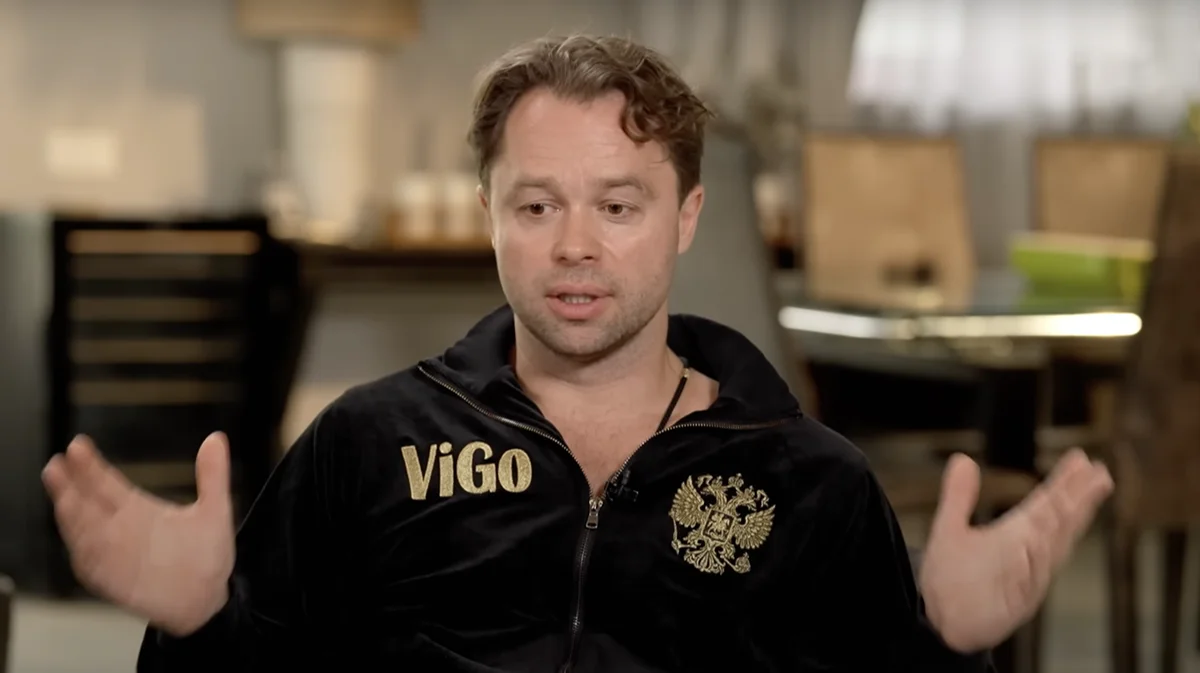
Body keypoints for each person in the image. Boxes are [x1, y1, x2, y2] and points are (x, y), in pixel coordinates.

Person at [42, 34, 1113, 672]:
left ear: (686, 217)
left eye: (619, 205)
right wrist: (194, 624)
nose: (575, 246)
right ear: (489, 216)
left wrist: (946, 645)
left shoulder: (812, 481)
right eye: (537, 204)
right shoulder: (365, 446)